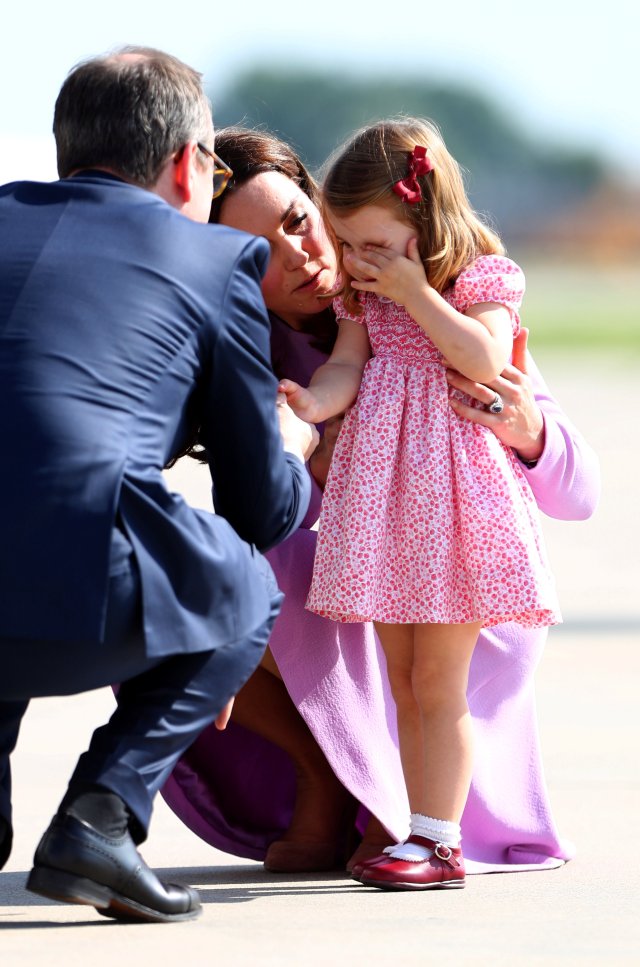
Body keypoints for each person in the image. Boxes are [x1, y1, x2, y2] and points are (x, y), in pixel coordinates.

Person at [160, 128, 600, 879]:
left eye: (300, 220)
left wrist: (528, 432)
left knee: (404, 660)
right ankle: (330, 780)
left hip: (457, 562)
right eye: (260, 250)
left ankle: (409, 816)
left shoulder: (451, 293)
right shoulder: (255, 348)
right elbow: (277, 514)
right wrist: (302, 442)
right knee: (186, 582)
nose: (303, 254)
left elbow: (577, 492)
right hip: (372, 565)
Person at [0, 48, 316, 924]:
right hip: (77, 593)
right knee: (242, 583)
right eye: (212, 162)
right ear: (187, 164)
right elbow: (261, 510)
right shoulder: (214, 261)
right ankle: (100, 816)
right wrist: (290, 439)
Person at [279, 116, 568, 891]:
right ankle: (419, 827)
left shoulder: (481, 278)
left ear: (420, 219)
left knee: (439, 681)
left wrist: (414, 291)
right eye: (344, 242)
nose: (351, 259)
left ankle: (439, 842)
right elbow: (347, 366)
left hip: (458, 500)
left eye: (368, 242)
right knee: (403, 679)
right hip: (388, 498)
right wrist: (314, 402)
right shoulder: (365, 292)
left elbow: (481, 356)